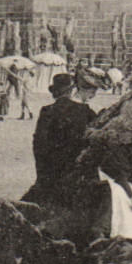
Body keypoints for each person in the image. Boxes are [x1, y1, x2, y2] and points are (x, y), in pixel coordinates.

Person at [23, 71, 99, 208]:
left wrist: (43, 173)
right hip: (77, 172)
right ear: (71, 90)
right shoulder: (85, 111)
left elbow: (39, 143)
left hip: (51, 171)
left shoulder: (46, 111)